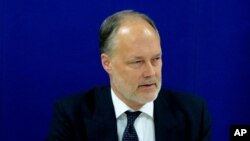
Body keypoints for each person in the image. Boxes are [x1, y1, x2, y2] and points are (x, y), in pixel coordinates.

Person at [47, 10, 211, 141]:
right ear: (107, 63)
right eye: (137, 62)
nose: (150, 72)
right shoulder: (72, 115)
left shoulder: (193, 114)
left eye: (156, 59)